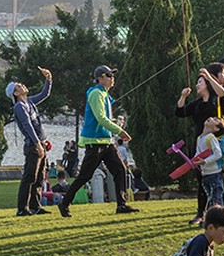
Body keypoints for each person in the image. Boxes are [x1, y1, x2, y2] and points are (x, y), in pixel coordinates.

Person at [58, 65, 138, 217]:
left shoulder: (104, 95)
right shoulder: (96, 93)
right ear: (100, 78)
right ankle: (64, 203)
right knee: (84, 176)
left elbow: (104, 119)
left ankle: (122, 204)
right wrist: (119, 131)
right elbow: (101, 118)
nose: (112, 78)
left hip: (106, 142)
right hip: (94, 143)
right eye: (108, 75)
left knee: (120, 170)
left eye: (112, 75)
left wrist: (115, 126)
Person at [175, 66, 224, 225]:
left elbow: (223, 94)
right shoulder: (197, 104)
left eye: (200, 82)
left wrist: (208, 76)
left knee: (220, 180)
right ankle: (201, 213)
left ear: (207, 84)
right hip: (200, 144)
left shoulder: (216, 100)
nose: (197, 85)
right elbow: (180, 112)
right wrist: (183, 97)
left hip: (217, 143)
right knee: (202, 180)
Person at [7, 66, 53, 216]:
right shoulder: (19, 106)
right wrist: (38, 143)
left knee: (39, 177)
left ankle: (35, 206)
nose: (22, 85)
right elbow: (27, 126)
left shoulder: (30, 102)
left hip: (40, 144)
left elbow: (45, 94)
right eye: (19, 86)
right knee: (29, 177)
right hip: (33, 145)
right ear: (15, 93)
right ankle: (22, 208)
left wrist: (48, 79)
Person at [196, 117, 224, 213]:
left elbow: (218, 154)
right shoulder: (199, 138)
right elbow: (198, 154)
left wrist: (204, 161)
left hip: (215, 174)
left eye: (215, 120)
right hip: (205, 173)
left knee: (216, 200)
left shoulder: (211, 138)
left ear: (216, 129)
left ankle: (218, 219)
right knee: (210, 198)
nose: (210, 118)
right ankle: (213, 218)